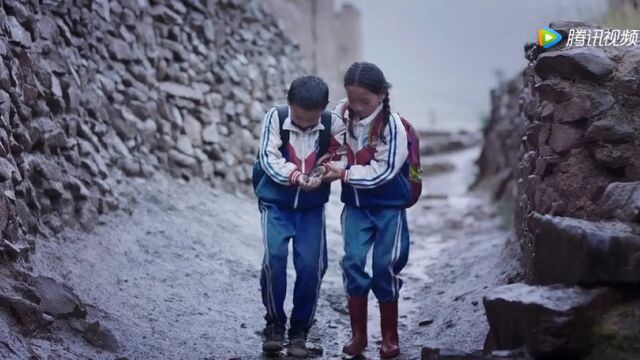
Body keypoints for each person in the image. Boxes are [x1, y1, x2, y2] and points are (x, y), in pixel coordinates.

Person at [323, 62, 412, 358]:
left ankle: (389, 336)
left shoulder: (393, 126)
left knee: (384, 266)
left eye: (366, 101)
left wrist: (345, 174)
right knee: (353, 262)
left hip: (388, 208)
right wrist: (330, 163)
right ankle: (358, 335)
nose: (359, 107)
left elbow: (383, 171)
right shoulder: (342, 114)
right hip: (357, 206)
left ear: (382, 94)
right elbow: (335, 148)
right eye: (353, 99)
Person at [253, 75, 345, 357]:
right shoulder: (275, 117)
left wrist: (322, 173)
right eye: (298, 117)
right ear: (289, 103)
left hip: (311, 209)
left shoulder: (332, 124)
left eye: (310, 120)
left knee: (311, 266)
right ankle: (274, 324)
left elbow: (340, 155)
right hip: (276, 204)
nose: (303, 124)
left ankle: (300, 329)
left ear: (324, 109)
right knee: (274, 260)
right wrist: (294, 176)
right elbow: (268, 157)